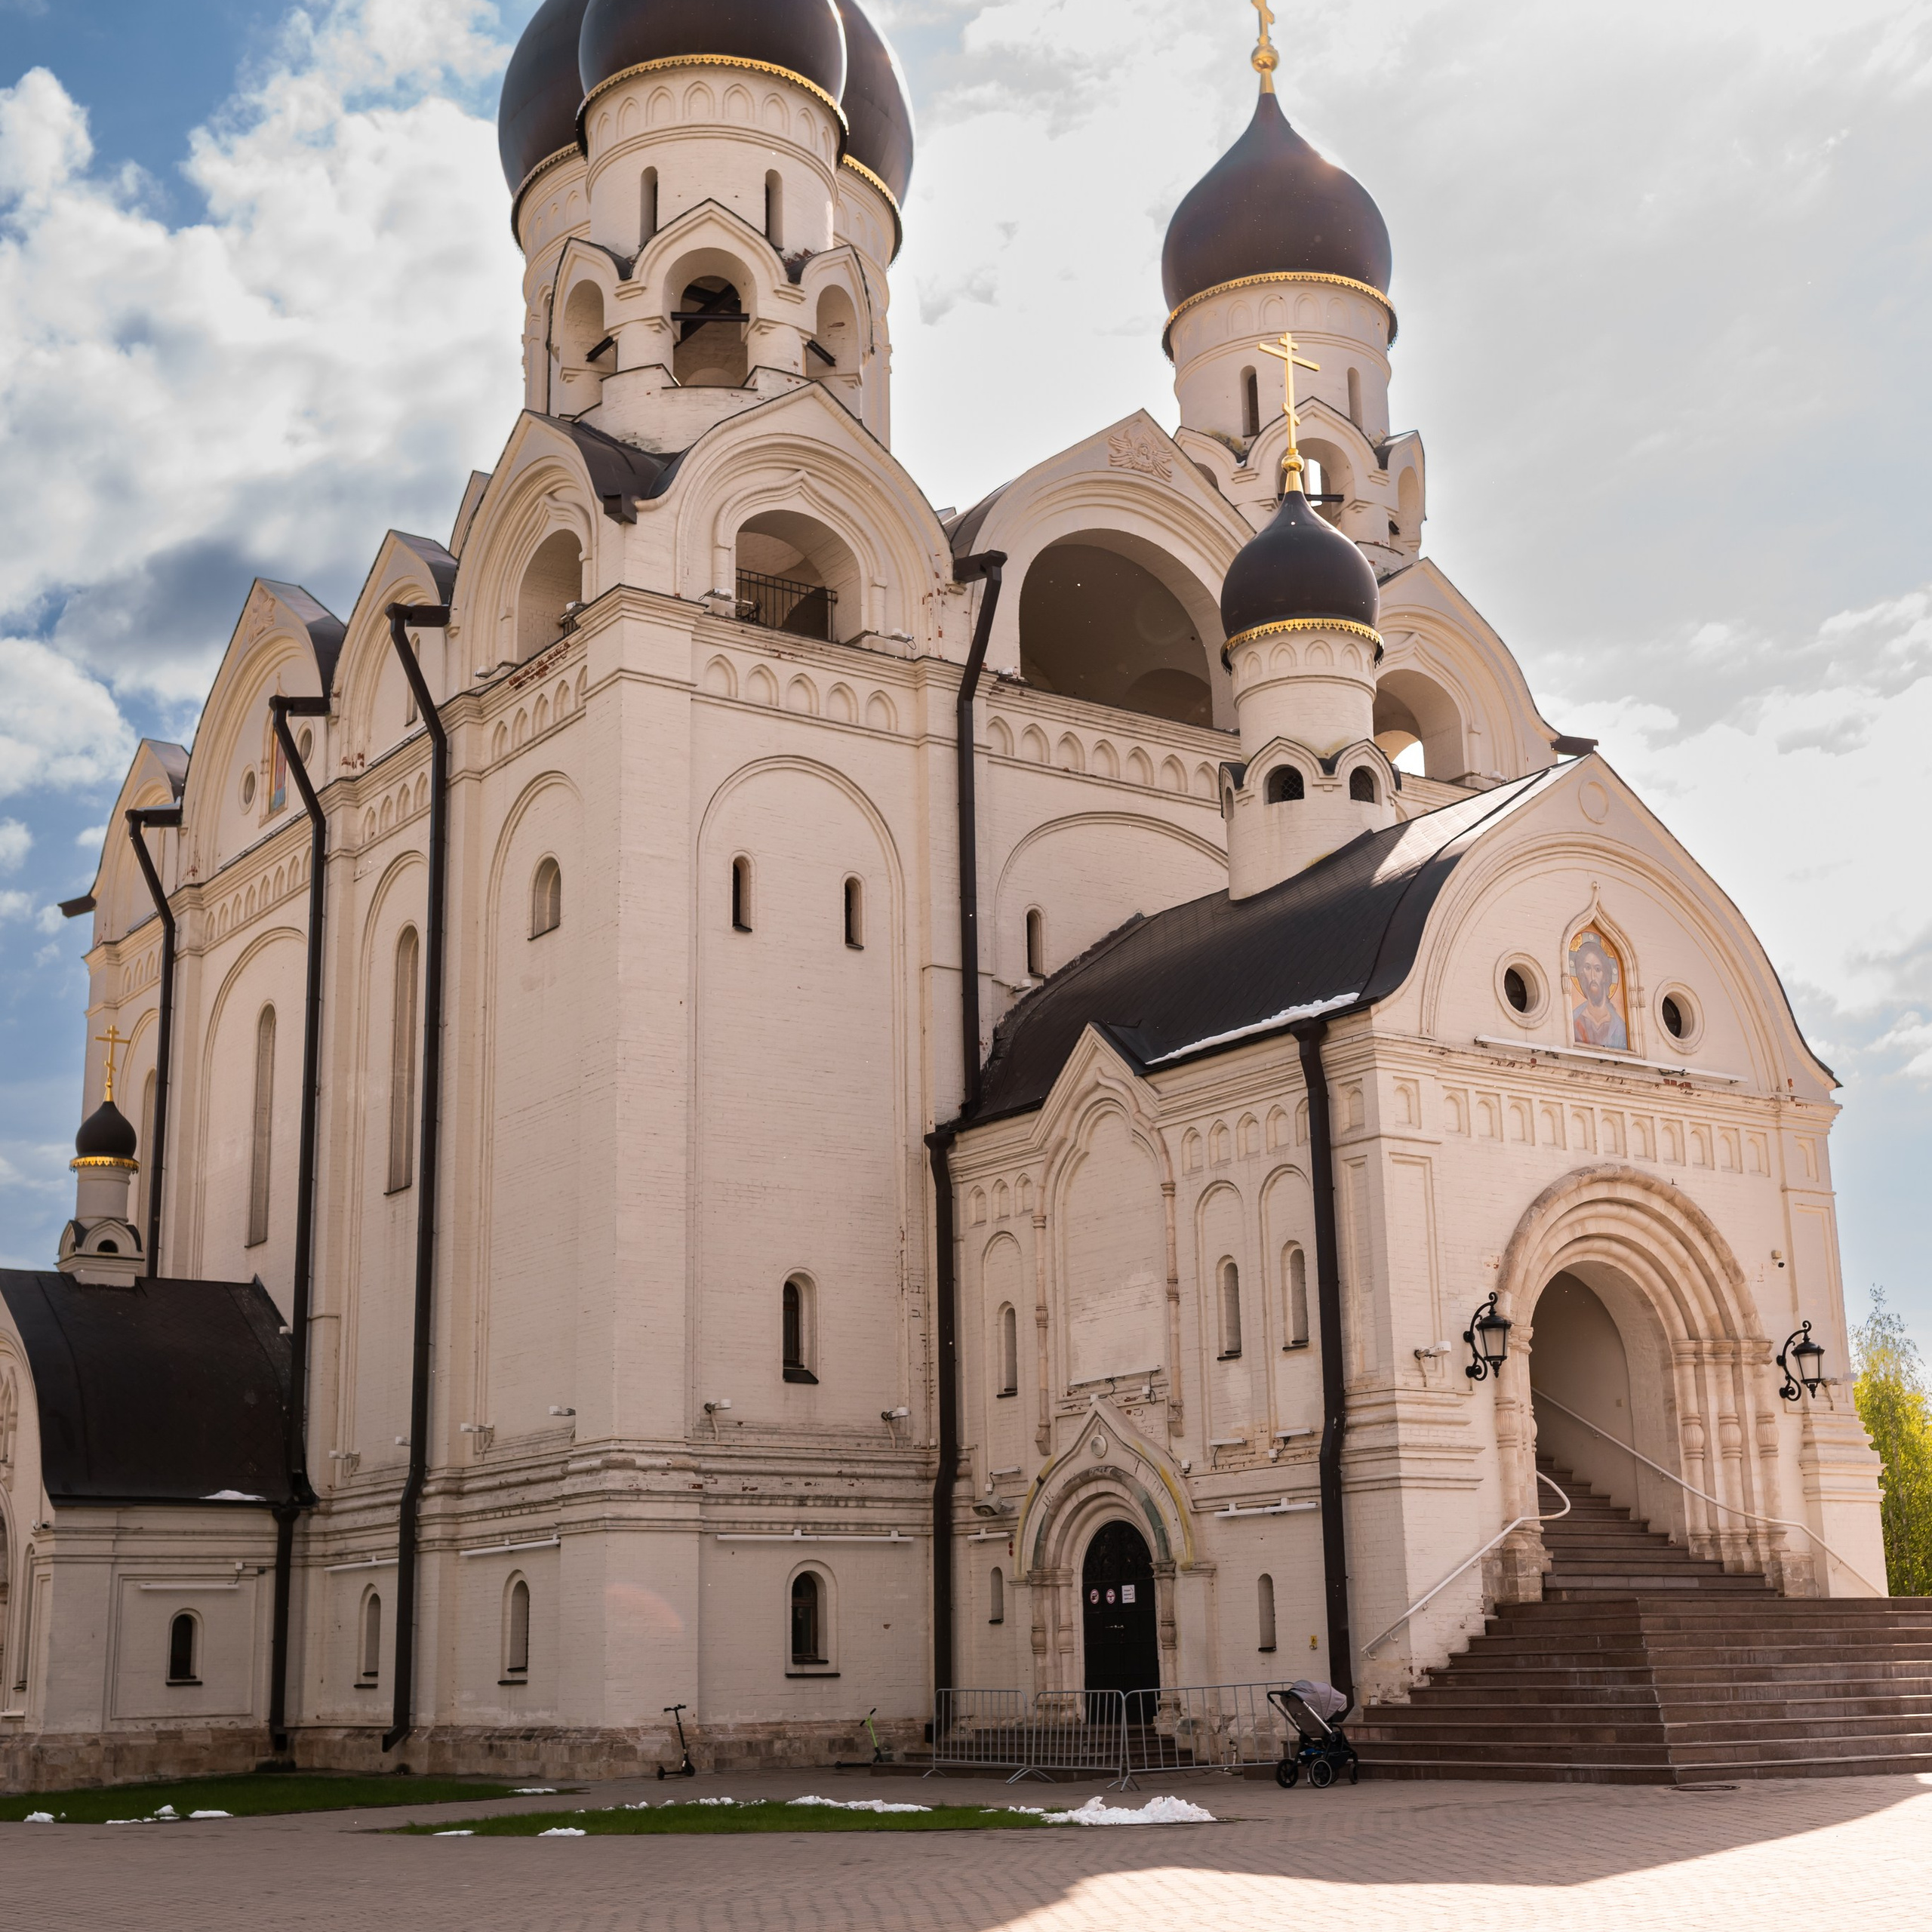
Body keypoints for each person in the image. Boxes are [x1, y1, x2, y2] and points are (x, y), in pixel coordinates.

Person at [1569, 932, 1627, 1050]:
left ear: (1605, 975)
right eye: (1587, 968)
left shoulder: (1619, 1026)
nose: (1592, 975)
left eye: (1598, 969)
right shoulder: (1575, 1019)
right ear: (1581, 974)